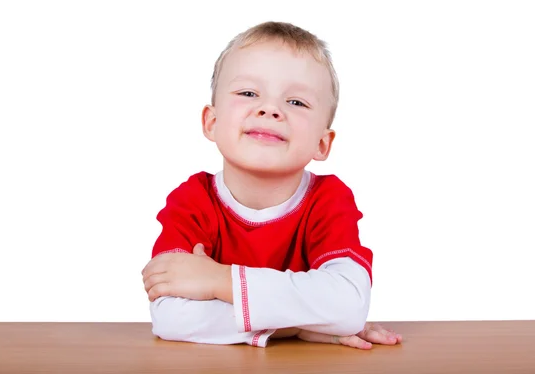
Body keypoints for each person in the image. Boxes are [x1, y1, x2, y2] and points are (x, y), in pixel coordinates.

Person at [141, 21, 402, 350]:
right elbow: (170, 317)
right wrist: (297, 326)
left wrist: (219, 281)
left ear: (322, 144)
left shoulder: (330, 200)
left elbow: (349, 304)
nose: (270, 109)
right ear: (212, 121)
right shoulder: (191, 201)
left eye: (297, 102)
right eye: (248, 93)